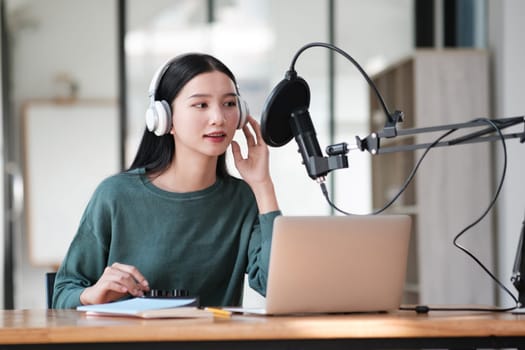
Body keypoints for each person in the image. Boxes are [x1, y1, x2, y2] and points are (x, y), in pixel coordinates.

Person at [52, 53, 281, 308]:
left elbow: (275, 285)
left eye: (229, 104)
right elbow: (62, 296)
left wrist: (262, 185)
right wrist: (92, 294)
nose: (218, 117)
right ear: (164, 118)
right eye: (201, 105)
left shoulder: (243, 199)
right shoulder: (116, 196)